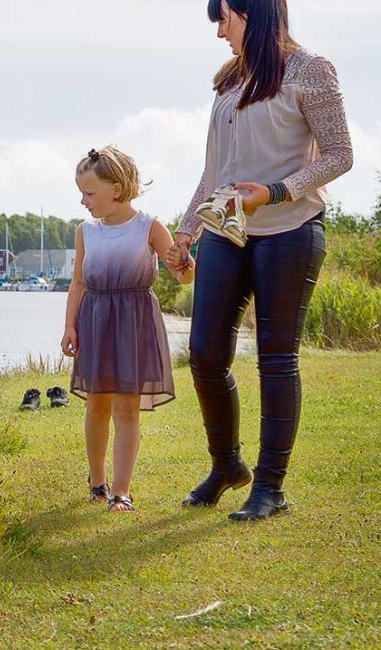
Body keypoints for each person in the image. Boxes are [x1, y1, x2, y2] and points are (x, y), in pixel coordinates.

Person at [163, 0, 352, 521]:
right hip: (227, 229)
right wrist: (185, 231)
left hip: (290, 229)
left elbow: (340, 154)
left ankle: (270, 486)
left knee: (275, 358)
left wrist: (273, 191)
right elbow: (216, 169)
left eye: (223, 19)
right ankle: (227, 466)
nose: (220, 31)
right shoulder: (228, 81)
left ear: (253, 13)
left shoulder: (311, 70)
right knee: (203, 352)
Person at [63, 146, 190, 513]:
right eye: (82, 193)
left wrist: (185, 259)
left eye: (90, 193)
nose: (83, 201)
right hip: (95, 320)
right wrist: (70, 326)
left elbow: (183, 276)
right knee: (97, 405)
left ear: (116, 189)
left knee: (126, 410)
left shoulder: (149, 226)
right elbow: (78, 284)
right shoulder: (85, 231)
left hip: (134, 321)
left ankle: (122, 491)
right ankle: (97, 480)